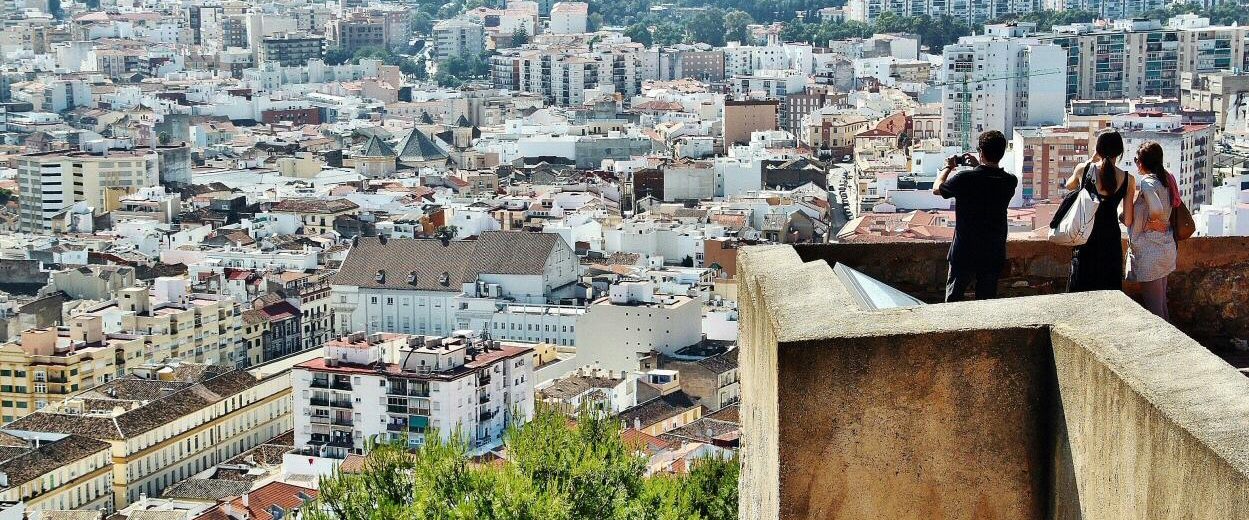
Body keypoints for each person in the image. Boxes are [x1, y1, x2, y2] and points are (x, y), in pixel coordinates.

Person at [932, 130, 1018, 302]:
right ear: (1002, 153)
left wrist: (948, 167)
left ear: (981, 151)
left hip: (965, 250)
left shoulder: (964, 178)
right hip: (993, 250)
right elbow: (987, 179)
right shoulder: (1010, 181)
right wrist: (978, 165)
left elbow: (937, 188)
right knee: (986, 304)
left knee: (953, 301)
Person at [1065, 130, 1132, 292]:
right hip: (1111, 240)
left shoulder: (1083, 170)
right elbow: (1128, 220)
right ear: (1120, 152)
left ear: (1098, 150)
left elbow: (1069, 186)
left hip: (1086, 236)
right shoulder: (1128, 179)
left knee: (1082, 288)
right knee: (1109, 290)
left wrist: (1091, 160)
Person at [1125, 141, 1179, 319]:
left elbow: (1156, 210)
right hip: (1165, 248)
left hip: (1151, 254)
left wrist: (1150, 222)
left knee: (1155, 313)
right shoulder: (1166, 178)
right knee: (1162, 306)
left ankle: (1167, 346)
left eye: (1136, 160)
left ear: (1141, 162)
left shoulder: (1148, 182)